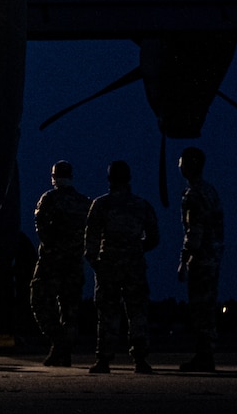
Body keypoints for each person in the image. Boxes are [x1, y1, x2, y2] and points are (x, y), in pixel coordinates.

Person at [84, 159, 160, 375]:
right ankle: (140, 359)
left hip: (108, 265)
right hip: (134, 266)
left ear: (109, 179)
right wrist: (135, 248)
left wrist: (95, 261)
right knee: (137, 313)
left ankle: (104, 360)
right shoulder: (141, 205)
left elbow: (91, 238)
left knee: (107, 313)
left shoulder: (101, 205)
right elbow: (154, 238)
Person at [30, 159, 90, 367]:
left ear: (54, 177)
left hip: (52, 262)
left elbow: (41, 229)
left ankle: (59, 343)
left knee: (39, 300)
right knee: (70, 308)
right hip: (74, 263)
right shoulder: (84, 203)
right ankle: (64, 350)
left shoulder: (49, 199)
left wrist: (52, 248)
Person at [177, 146, 225, 373]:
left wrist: (184, 259)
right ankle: (205, 353)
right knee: (207, 306)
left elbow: (194, 232)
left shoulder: (194, 194)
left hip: (202, 258)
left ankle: (204, 355)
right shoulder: (209, 191)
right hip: (212, 257)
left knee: (200, 307)